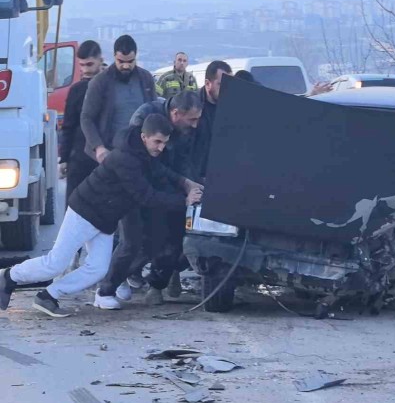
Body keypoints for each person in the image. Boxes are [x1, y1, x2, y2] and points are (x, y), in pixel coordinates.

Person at [0, 115, 202, 317]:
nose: (161, 148)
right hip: (85, 212)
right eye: (157, 142)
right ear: (143, 137)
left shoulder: (143, 153)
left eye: (164, 143)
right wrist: (184, 200)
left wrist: (186, 183)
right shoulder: (126, 158)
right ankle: (8, 277)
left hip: (105, 218)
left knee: (97, 269)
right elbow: (146, 197)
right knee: (54, 263)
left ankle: (48, 296)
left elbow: (162, 171)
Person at [94, 91, 203, 308]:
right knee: (135, 243)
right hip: (136, 191)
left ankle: (152, 282)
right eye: (192, 119)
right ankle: (108, 286)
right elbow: (144, 163)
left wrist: (189, 184)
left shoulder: (184, 129)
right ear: (176, 113)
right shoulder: (145, 117)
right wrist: (181, 190)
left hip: (164, 190)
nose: (195, 124)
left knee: (167, 242)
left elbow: (181, 161)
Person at [81, 35, 157, 165]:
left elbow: (154, 111)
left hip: (140, 153)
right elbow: (86, 118)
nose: (126, 66)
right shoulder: (100, 82)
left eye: (130, 61)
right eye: (121, 61)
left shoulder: (146, 79)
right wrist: (98, 147)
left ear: (136, 57)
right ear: (114, 56)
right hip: (109, 154)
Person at [59, 40, 102, 205]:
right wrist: (64, 158)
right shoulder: (77, 90)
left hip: (104, 157)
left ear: (100, 60)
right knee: (74, 206)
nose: (85, 70)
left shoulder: (109, 87)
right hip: (79, 157)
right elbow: (68, 125)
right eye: (82, 65)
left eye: (89, 64)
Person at [192, 61, 232, 182]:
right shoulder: (193, 106)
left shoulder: (233, 106)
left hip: (222, 176)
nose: (227, 89)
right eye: (221, 84)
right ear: (207, 83)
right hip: (196, 176)